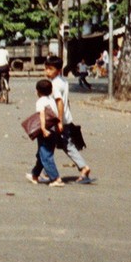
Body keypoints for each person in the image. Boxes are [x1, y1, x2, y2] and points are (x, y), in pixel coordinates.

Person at [44, 55, 94, 184]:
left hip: (58, 120)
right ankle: (46, 171)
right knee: (62, 144)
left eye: (50, 69)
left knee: (53, 145)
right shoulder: (63, 81)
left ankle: (83, 167)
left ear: (58, 70)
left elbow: (60, 102)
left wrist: (59, 121)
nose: (47, 72)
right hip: (65, 118)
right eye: (46, 69)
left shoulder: (54, 85)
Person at [26, 78, 64, 186]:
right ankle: (35, 175)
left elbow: (42, 115)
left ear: (37, 91)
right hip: (54, 129)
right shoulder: (51, 100)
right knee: (42, 153)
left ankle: (55, 178)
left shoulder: (40, 101)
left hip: (46, 131)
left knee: (46, 155)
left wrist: (43, 128)